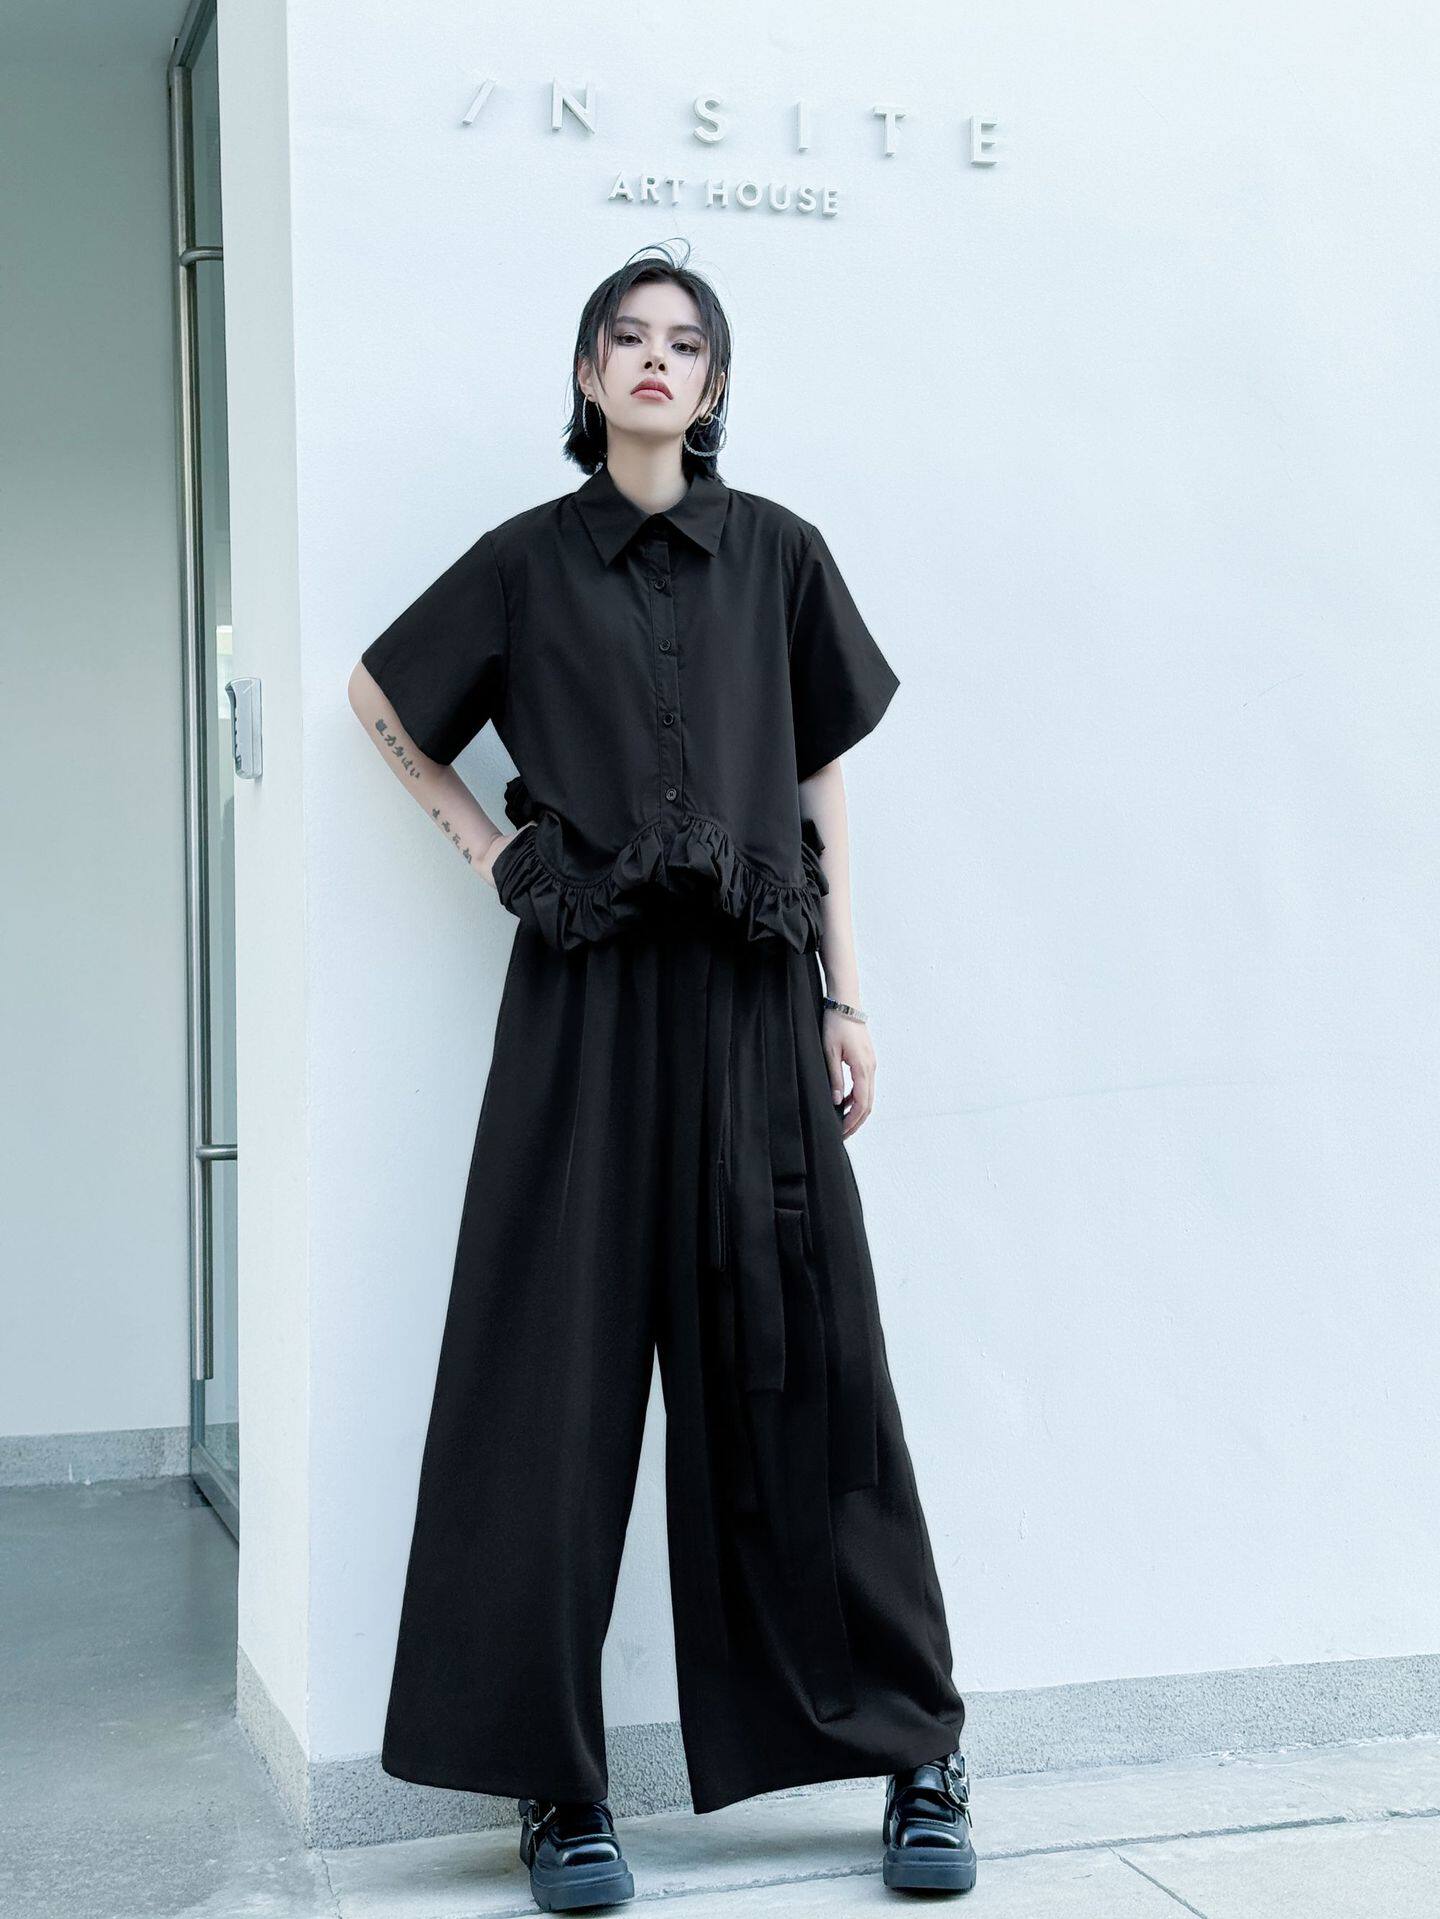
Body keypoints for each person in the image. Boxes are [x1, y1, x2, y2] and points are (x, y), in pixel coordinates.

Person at [347, 239, 977, 1908]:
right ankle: (555, 1788)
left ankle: (916, 1750)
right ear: (586, 374)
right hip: (585, 998)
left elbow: (823, 787)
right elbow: (378, 699)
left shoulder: (781, 555)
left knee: (807, 1365)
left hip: (758, 1001)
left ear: (712, 383)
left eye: (682, 342)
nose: (652, 359)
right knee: (546, 1380)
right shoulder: (524, 562)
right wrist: (495, 853)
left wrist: (848, 999)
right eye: (624, 338)